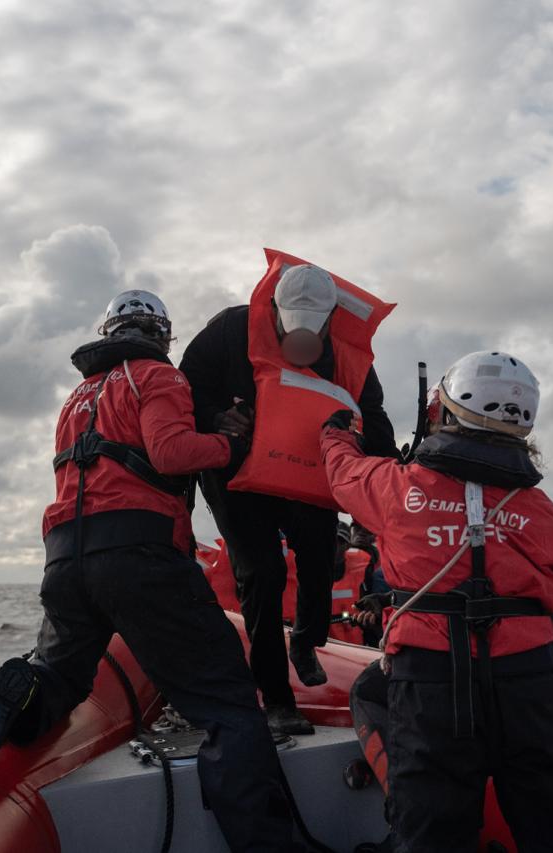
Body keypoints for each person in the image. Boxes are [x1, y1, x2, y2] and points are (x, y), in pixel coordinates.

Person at [0, 291, 301, 851]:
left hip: (66, 557)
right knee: (228, 702)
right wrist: (231, 442)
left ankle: (21, 696)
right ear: (161, 336)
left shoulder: (77, 397)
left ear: (109, 331)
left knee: (64, 676)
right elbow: (170, 453)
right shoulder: (156, 376)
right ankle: (267, 842)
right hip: (139, 551)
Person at [322, 350, 553, 853]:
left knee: (431, 833)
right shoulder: (541, 513)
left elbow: (343, 472)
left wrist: (336, 432)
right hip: (528, 687)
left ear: (444, 409)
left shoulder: (400, 491)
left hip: (430, 685)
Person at [180, 261, 397, 734]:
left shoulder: (346, 355)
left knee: (322, 553)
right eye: (287, 326)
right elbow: (183, 389)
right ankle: (276, 699)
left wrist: (365, 442)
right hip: (237, 472)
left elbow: (377, 423)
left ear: (327, 322)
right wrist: (216, 417)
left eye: (310, 329)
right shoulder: (229, 330)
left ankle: (306, 639)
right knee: (262, 573)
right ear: (273, 311)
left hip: (305, 470)